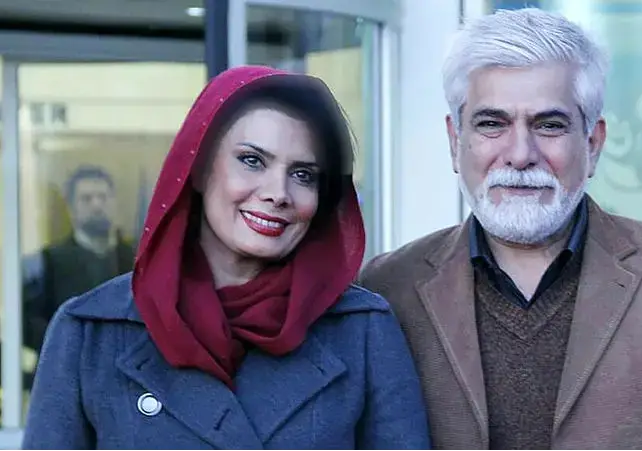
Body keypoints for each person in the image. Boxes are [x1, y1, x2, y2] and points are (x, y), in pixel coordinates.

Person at [358, 7, 642, 451]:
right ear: (455, 141)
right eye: (492, 124)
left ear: (593, 144)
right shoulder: (387, 289)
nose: (520, 154)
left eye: (549, 125)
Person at [23, 66, 430, 450]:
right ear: (199, 169)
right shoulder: (90, 333)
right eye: (252, 161)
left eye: (303, 174)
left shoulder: (362, 331)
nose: (278, 193)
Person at [23, 165, 135, 356]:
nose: (97, 205)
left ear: (114, 202)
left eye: (103, 197)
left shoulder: (136, 258)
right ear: (71, 207)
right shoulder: (50, 262)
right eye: (86, 198)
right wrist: (65, 347)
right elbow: (27, 323)